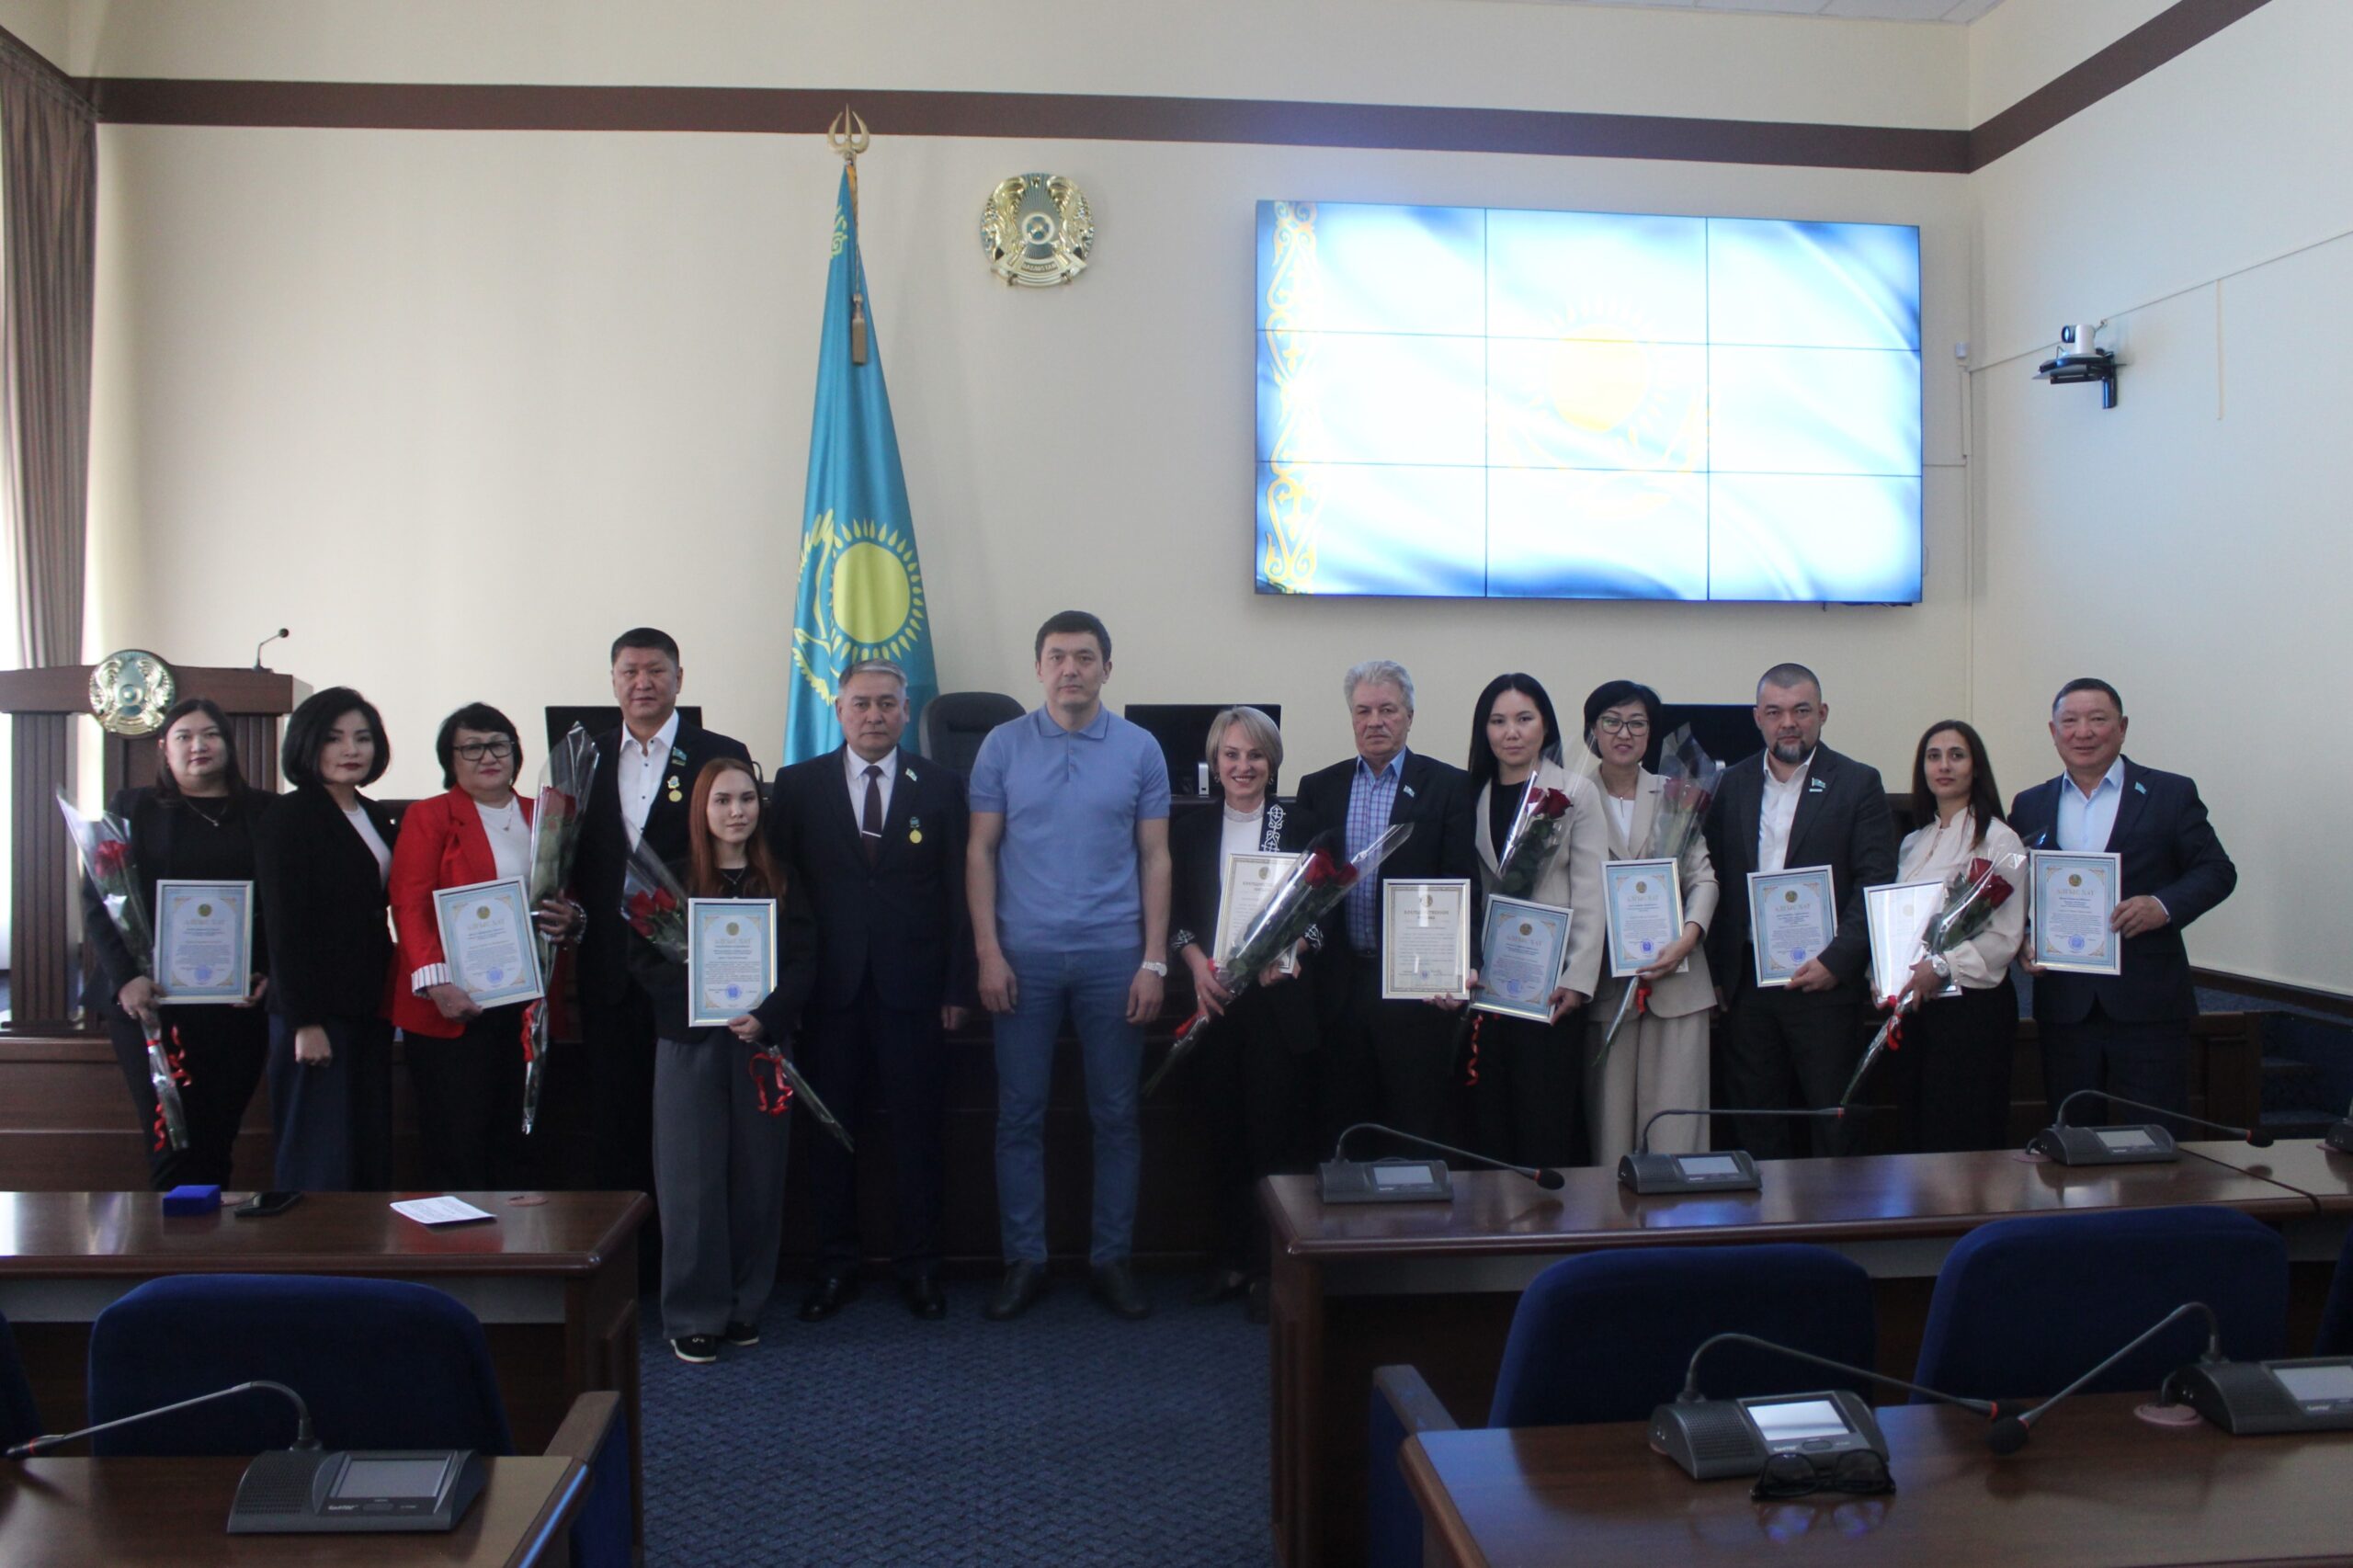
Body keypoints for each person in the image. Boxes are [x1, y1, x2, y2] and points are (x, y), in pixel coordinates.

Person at [968, 610, 1171, 1323]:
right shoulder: (1001, 745)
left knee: (1116, 1115)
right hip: (1021, 958)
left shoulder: (1141, 749)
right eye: (1057, 657)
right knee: (1018, 1116)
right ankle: (1025, 1261)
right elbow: (979, 851)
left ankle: (1111, 1259)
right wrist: (988, 952)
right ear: (1038, 668)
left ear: (1107, 669)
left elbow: (1156, 857)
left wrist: (1154, 960)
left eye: (1085, 657)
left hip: (1114, 956)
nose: (1070, 670)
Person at [772, 658, 972, 1324]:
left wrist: (957, 986)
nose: (874, 715)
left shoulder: (941, 786)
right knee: (832, 1135)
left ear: (907, 711)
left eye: (887, 703)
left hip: (914, 993)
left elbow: (959, 894)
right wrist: (786, 994)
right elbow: (781, 892)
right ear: (838, 710)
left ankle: (921, 1267)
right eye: (861, 703)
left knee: (918, 1135)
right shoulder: (797, 786)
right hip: (826, 994)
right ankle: (836, 1266)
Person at [626, 757, 813, 1364]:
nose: (737, 811)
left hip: (761, 1046)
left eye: (747, 800)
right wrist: (703, 998)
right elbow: (644, 963)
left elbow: (805, 960)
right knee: (691, 1182)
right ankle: (692, 1313)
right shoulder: (672, 880)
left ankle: (743, 1305)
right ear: (701, 810)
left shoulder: (780, 879)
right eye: (723, 801)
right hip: (690, 1046)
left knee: (759, 1178)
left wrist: (768, 1016)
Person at [569, 629, 751, 1199]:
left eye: (655, 671)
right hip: (608, 968)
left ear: (679, 679)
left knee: (691, 1125)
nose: (642, 683)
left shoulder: (718, 753)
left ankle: (688, 1246)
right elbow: (570, 857)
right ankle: (628, 1250)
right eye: (630, 672)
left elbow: (738, 855)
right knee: (615, 1120)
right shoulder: (584, 756)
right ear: (613, 681)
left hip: (689, 968)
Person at [2008, 679, 2236, 1126]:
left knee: (2155, 1136)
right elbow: (2016, 889)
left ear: (2122, 727)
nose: (2083, 732)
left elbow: (2217, 871)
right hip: (2064, 1004)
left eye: (2097, 719)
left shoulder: (2169, 793)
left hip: (2148, 1002)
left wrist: (2162, 905)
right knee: (2073, 1135)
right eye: (2070, 721)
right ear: (2053, 732)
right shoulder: (2030, 804)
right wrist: (2026, 937)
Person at [387, 704, 584, 1191]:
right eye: (472, 748)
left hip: (528, 1005)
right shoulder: (429, 816)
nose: (488, 757)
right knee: (458, 1143)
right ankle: (461, 1238)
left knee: (522, 1142)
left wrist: (573, 918)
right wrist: (437, 983)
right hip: (454, 1005)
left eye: (498, 744)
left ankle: (519, 1237)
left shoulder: (549, 813)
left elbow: (570, 894)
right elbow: (409, 903)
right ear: (449, 759)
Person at [80, 697, 275, 1187]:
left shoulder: (265, 811)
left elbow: (285, 903)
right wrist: (125, 978)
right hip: (151, 1001)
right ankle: (172, 1232)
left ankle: (210, 1232)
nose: (198, 746)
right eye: (184, 737)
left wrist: (268, 970)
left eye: (210, 734)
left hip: (235, 1002)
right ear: (164, 749)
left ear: (227, 744)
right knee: (169, 1134)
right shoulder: (132, 808)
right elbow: (101, 898)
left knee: (218, 1135)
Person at [1702, 663, 1894, 1159]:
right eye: (1775, 712)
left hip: (1825, 983)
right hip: (1747, 984)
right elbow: (1715, 879)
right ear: (1757, 718)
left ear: (1822, 714)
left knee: (1834, 1119)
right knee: (1756, 1121)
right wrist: (1717, 971)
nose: (1788, 723)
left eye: (1801, 711)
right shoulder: (1730, 785)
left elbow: (1874, 882)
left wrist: (1837, 961)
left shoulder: (1858, 782)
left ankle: (1837, 1210)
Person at [1169, 705, 1319, 1319]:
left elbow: (1322, 914)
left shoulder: (1299, 824)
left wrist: (1293, 951)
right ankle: (1230, 1260)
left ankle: (1271, 1270)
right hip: (1216, 1004)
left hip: (1277, 1007)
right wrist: (1196, 964)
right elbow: (1176, 916)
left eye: (1255, 755)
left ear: (1272, 763)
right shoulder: (1190, 829)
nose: (1243, 766)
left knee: (1275, 1141)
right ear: (1214, 761)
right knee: (1222, 1136)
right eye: (1231, 754)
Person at [1292, 660, 1478, 1150]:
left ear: (1409, 716)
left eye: (1388, 710)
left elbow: (1462, 883)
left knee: (1414, 1128)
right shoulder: (1319, 788)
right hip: (1338, 987)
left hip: (1414, 991)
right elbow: (1303, 893)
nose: (1375, 721)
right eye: (1363, 711)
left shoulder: (1448, 786)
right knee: (1343, 1130)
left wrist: (1459, 968)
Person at [253, 687, 401, 1190]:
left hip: (369, 1002)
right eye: (334, 738)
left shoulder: (375, 815)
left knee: (366, 1144)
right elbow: (284, 925)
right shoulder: (288, 817)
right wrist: (304, 1022)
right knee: (319, 1153)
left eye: (363, 738)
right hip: (315, 1009)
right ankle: (311, 1243)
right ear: (308, 743)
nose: (351, 750)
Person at [1460, 674, 1605, 1169]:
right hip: (1489, 985)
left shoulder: (1575, 792)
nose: (1511, 732)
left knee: (1543, 1116)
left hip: (1551, 988)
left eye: (1524, 719)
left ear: (1545, 725)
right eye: (1498, 721)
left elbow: (1590, 892)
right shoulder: (1471, 793)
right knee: (1490, 1117)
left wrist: (1578, 980)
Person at [1579, 680, 1719, 1167]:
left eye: (1637, 723)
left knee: (1677, 1134)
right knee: (1610, 1132)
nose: (1624, 733)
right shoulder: (1571, 797)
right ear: (1593, 730)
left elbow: (1704, 879)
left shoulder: (1676, 793)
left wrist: (1687, 938)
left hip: (1678, 982)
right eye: (1612, 721)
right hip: (1605, 985)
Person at [1874, 720, 2029, 1153]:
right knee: (1919, 1127)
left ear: (1976, 768)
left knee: (1963, 1131)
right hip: (1917, 1008)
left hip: (1972, 1009)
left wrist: (1942, 966)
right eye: (1934, 756)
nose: (1944, 766)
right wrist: (1883, 975)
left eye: (1956, 756)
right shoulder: (1913, 842)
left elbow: (2005, 937)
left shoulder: (1999, 840)